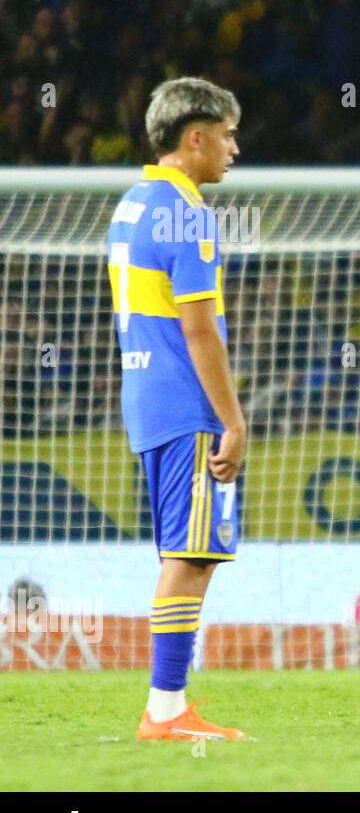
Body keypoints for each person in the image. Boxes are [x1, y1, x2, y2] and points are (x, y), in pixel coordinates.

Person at [108, 77, 248, 740]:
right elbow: (199, 329)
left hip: (145, 397)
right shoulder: (186, 212)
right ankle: (166, 710)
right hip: (186, 402)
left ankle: (168, 708)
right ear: (194, 138)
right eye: (226, 135)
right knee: (189, 558)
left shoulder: (134, 203)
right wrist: (232, 418)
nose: (233, 148)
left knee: (182, 552)